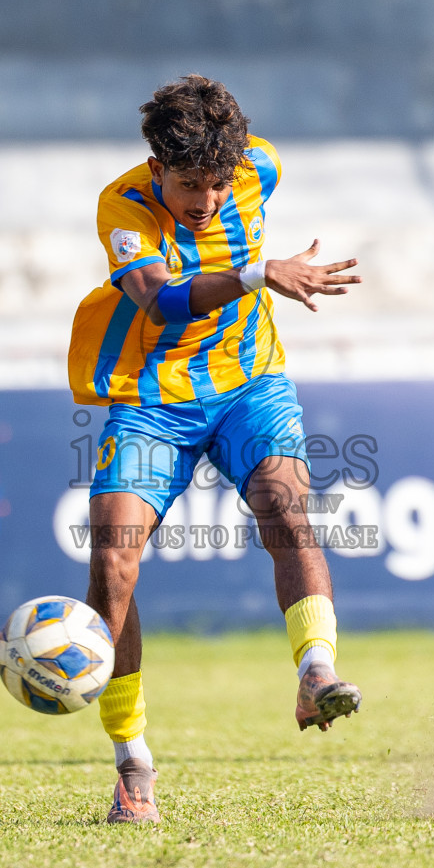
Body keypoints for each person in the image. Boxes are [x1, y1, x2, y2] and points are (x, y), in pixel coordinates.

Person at [68, 75, 364, 823]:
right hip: (152, 399)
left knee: (286, 507)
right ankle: (132, 762)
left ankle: (316, 672)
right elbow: (159, 299)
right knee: (113, 563)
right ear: (157, 167)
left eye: (217, 184)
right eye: (189, 184)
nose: (205, 200)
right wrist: (261, 273)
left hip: (249, 383)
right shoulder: (123, 206)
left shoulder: (260, 164)